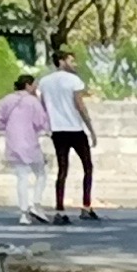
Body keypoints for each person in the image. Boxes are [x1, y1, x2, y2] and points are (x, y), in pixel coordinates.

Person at [39, 45, 97, 221]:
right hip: (75, 129)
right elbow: (80, 105)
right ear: (62, 61)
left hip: (57, 130)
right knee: (87, 167)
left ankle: (59, 210)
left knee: (62, 169)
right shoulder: (74, 80)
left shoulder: (45, 82)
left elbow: (43, 106)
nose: (74, 64)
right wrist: (90, 128)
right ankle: (86, 206)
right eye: (71, 61)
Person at [0, 70, 51, 223]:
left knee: (21, 177)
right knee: (41, 173)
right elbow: (41, 122)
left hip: (13, 143)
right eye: (34, 85)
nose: (35, 88)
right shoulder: (33, 102)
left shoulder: (6, 100)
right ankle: (36, 203)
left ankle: (23, 213)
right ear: (28, 85)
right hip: (29, 142)